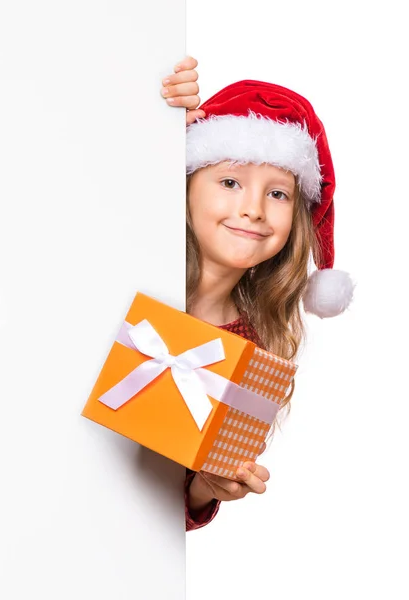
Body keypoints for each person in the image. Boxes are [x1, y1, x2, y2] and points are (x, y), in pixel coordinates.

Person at [160, 57, 354, 532]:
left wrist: (210, 485)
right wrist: (155, 118)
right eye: (230, 182)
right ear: (184, 186)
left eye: (278, 194)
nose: (253, 210)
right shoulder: (124, 266)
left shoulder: (254, 353)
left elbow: (167, 499)